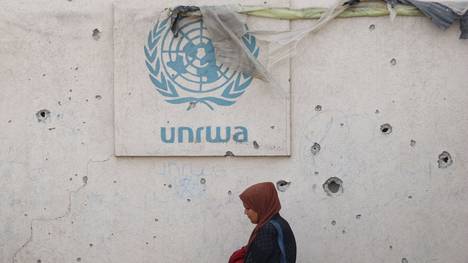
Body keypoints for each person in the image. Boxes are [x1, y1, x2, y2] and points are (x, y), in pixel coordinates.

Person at [229, 182, 296, 263]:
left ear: (260, 205)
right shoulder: (280, 223)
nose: (245, 212)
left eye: (247, 208)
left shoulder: (268, 229)